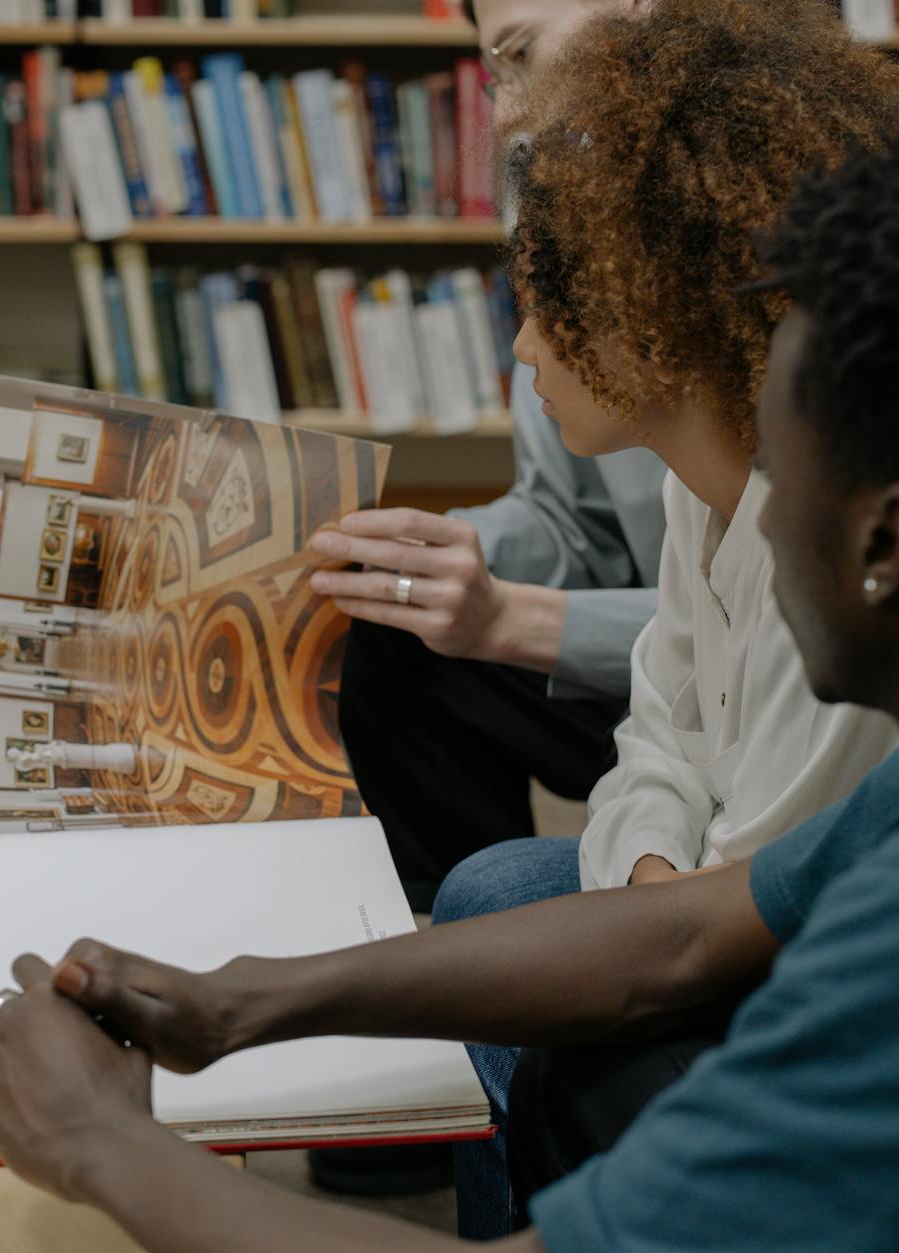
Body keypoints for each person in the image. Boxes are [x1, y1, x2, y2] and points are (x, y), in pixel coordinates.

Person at [0, 125, 899, 1250]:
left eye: (779, 454)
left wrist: (96, 1142)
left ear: (884, 540)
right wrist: (239, 997)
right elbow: (686, 933)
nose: (745, 499)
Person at [341, 0, 899, 1220]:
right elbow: (657, 737)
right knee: (498, 894)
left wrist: (642, 918)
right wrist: (651, 872)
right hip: (716, 876)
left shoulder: (816, 541)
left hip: (826, 963)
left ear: (640, 314)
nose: (518, 356)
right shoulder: (695, 477)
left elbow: (757, 906)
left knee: (540, 993)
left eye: (538, 307)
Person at [320, 0, 669, 912]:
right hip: (661, 678)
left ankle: (492, 943)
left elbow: (772, 626)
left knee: (505, 884)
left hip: (755, 686)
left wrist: (509, 619)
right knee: (386, 617)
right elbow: (570, 524)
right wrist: (403, 548)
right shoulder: (570, 212)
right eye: (494, 71)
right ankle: (445, 948)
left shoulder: (764, 226)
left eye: (520, 55)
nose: (507, 111)